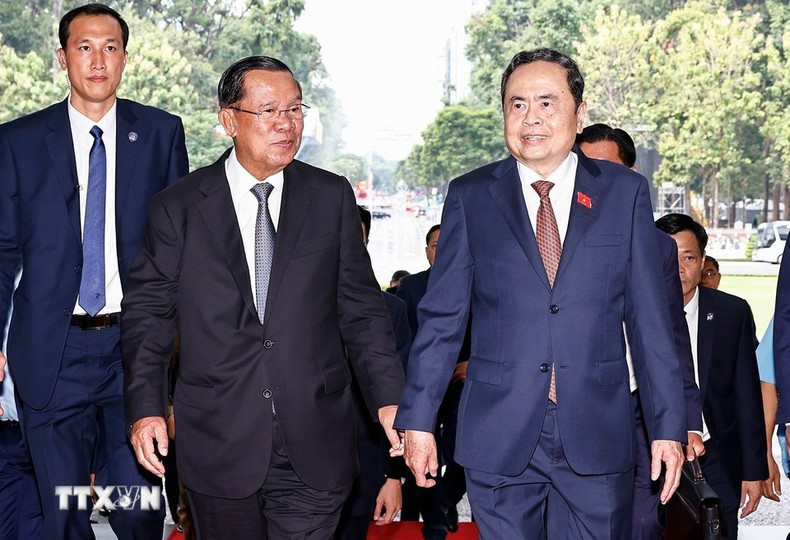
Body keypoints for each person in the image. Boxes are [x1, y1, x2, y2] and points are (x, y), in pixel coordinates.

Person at [395, 48, 687, 539]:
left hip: (596, 430)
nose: (531, 118)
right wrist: (418, 422)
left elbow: (650, 322)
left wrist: (668, 426)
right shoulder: (471, 195)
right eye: (517, 104)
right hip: (499, 431)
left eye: (547, 103)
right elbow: (442, 321)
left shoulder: (624, 193)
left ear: (579, 110)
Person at [122, 56, 405, 538]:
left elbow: (362, 312)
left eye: (295, 110)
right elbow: (149, 316)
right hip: (219, 438)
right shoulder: (179, 206)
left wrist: (390, 399)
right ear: (229, 119)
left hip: (315, 434)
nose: (286, 123)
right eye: (269, 110)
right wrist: (147, 407)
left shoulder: (330, 196)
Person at [0, 4, 188, 538]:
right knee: (62, 511)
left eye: (110, 47)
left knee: (137, 509)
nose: (98, 60)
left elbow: (179, 250)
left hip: (134, 353)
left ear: (125, 58)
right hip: (50, 355)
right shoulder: (17, 142)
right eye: (84, 47)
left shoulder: (159, 133)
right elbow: (2, 251)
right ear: (63, 58)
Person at [577, 123, 704, 540]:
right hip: (576, 403)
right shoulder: (551, 238)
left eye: (605, 168)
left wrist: (684, 419)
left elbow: (671, 338)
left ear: (630, 176)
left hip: (640, 409)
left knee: (644, 520)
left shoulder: (657, 247)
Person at [656, 213, 767, 538]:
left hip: (716, 454)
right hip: (652, 460)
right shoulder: (628, 312)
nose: (678, 268)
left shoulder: (732, 313)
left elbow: (747, 395)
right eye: (668, 257)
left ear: (703, 260)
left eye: (688, 257)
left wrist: (753, 471)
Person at [333, 206, 410, 540]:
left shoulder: (391, 310)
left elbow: (402, 396)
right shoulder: (287, 308)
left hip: (364, 463)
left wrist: (393, 477)